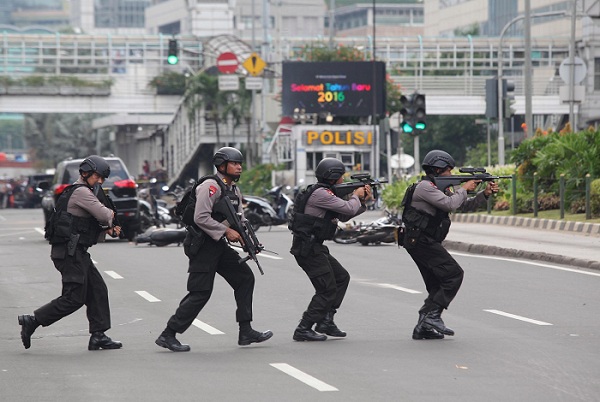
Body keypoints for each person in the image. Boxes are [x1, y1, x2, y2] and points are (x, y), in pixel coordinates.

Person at [155, 147, 273, 352]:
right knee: (200, 292)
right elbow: (201, 217)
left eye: (240, 163)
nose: (239, 167)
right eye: (234, 163)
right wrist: (226, 232)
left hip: (218, 245)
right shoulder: (210, 186)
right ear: (221, 165)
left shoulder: (233, 189)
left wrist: (248, 240)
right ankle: (168, 334)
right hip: (202, 246)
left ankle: (245, 331)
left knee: (245, 278)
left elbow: (239, 219)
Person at [18, 155, 123, 350]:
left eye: (102, 178)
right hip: (69, 253)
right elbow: (104, 214)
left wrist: (106, 227)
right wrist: (110, 218)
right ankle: (32, 321)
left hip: (76, 252)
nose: (100, 181)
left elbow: (84, 223)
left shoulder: (83, 192)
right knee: (74, 298)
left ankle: (98, 335)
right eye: (98, 177)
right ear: (85, 173)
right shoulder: (82, 193)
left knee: (97, 289)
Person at [401, 150, 498, 340]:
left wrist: (483, 194)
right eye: (448, 171)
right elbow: (449, 204)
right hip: (419, 240)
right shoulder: (425, 187)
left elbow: (461, 205)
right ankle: (432, 317)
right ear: (437, 169)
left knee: (438, 282)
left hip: (424, 240)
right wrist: (464, 188)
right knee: (453, 274)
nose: (452, 175)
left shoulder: (438, 188)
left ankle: (423, 326)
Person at [289, 158, 372, 341]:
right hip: (308, 249)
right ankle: (304, 328)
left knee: (341, 277)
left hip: (315, 246)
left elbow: (343, 215)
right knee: (326, 289)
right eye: (341, 176)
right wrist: (355, 196)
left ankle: (326, 320)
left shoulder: (325, 193)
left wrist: (362, 201)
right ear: (333, 176)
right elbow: (347, 208)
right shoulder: (321, 194)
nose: (343, 179)